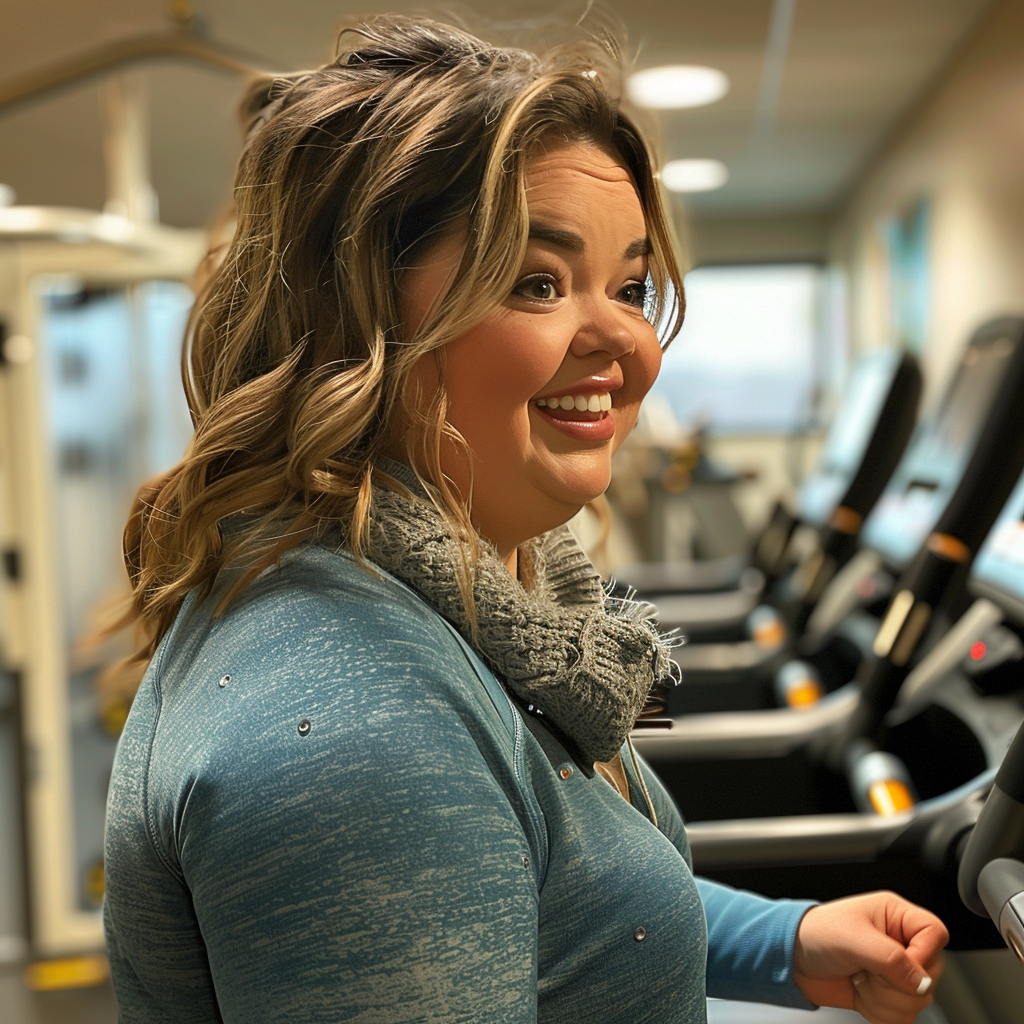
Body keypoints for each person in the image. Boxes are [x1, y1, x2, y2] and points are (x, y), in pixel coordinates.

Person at [103, 15, 948, 1023]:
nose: (622, 340)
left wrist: (782, 941)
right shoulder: (365, 733)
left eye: (629, 286)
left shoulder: (470, 596)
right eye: (535, 281)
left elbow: (555, 900)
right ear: (359, 321)